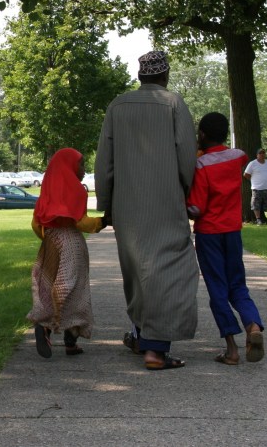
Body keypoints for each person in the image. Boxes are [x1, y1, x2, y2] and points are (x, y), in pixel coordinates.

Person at [95, 50, 199, 370]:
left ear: (140, 76)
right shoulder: (173, 103)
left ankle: (141, 334)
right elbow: (186, 157)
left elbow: (104, 162)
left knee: (136, 270)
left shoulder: (118, 105)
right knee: (170, 269)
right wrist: (186, 189)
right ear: (165, 75)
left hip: (126, 205)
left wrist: (106, 205)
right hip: (165, 200)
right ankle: (155, 349)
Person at [186, 112, 264, 365]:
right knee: (237, 284)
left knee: (217, 288)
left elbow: (196, 208)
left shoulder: (201, 165)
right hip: (232, 231)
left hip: (209, 234)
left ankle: (231, 349)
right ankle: (253, 326)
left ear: (202, 135)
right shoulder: (236, 157)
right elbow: (241, 153)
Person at [29, 149, 106, 359]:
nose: (83, 170)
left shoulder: (48, 189)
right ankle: (64, 335)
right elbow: (80, 222)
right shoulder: (76, 190)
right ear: (70, 166)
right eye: (80, 165)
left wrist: (49, 236)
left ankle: (46, 324)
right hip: (71, 243)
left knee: (49, 283)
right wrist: (102, 222)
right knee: (74, 288)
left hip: (50, 242)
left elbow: (36, 224)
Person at [243, 148, 267, 225]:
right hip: (257, 188)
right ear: (257, 155)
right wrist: (253, 180)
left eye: (263, 153)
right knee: (256, 204)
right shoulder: (252, 163)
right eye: (260, 153)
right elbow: (246, 174)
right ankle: (258, 219)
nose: (262, 154)